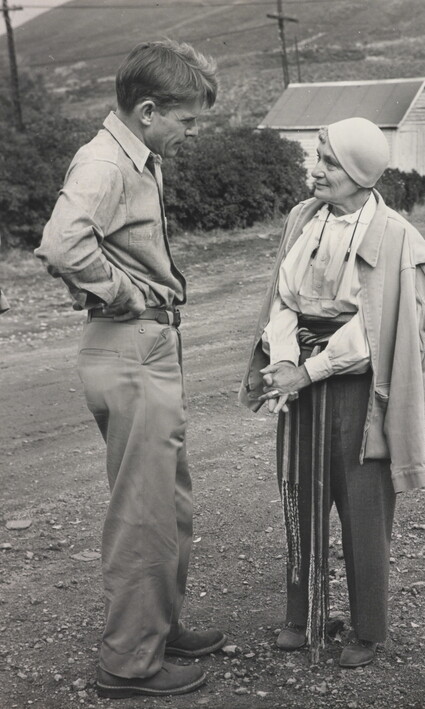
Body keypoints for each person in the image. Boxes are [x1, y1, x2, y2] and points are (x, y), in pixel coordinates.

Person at [35, 40, 226, 699]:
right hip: (127, 341)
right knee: (142, 512)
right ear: (148, 110)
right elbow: (62, 243)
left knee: (168, 503)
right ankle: (129, 664)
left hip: (145, 344)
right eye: (187, 119)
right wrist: (118, 290)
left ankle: (157, 626)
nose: (191, 131)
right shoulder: (104, 162)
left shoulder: (136, 155)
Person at [240, 117, 425, 667]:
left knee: (364, 507)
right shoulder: (302, 220)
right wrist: (284, 361)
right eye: (319, 158)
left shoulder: (397, 235)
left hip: (358, 391)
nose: (317, 170)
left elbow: (375, 327)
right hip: (299, 380)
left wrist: (309, 371)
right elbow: (283, 299)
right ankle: (302, 617)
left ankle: (367, 629)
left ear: (358, 171)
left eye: (329, 162)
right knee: (299, 499)